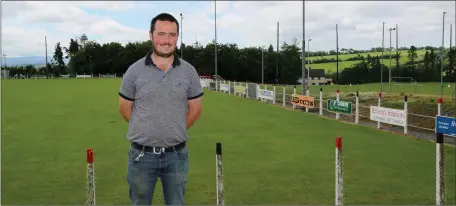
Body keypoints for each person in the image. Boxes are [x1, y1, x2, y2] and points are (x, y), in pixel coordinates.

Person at [118, 12, 203, 205]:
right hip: (141, 156)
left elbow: (195, 109)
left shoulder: (189, 72)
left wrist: (173, 129)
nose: (167, 40)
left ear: (177, 37)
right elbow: (125, 109)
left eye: (172, 35)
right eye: (162, 34)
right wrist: (148, 129)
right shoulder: (134, 71)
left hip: (176, 156)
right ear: (151, 35)